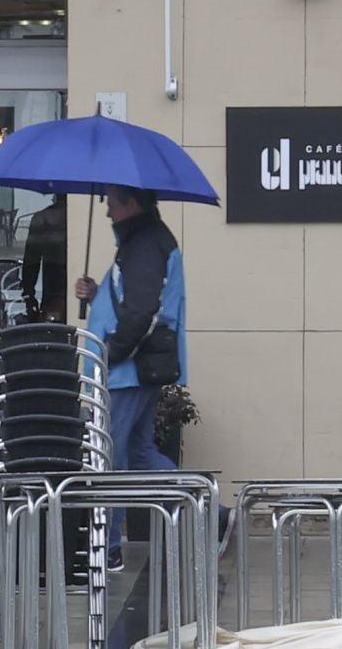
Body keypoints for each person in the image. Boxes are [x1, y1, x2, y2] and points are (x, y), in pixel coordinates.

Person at [73, 187, 232, 564]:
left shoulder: (145, 245)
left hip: (126, 370)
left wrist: (111, 352)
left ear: (131, 204)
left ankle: (107, 547)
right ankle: (215, 516)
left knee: (107, 456)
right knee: (141, 454)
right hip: (133, 369)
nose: (108, 212)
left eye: (111, 204)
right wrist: (97, 294)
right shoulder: (145, 242)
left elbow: (142, 313)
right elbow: (136, 303)